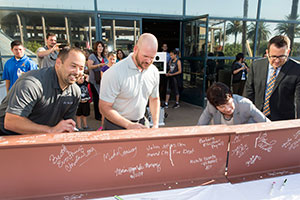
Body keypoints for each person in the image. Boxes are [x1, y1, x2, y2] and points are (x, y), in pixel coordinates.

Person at [0, 47, 86, 135]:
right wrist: (51, 130)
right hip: (8, 139)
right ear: (58, 63)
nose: (77, 72)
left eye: (81, 68)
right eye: (73, 66)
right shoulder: (32, 83)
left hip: (41, 139)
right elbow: (11, 122)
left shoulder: (75, 92)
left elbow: (66, 124)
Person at [99, 33, 160, 130]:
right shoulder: (114, 72)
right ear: (135, 49)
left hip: (141, 122)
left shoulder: (154, 71)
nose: (148, 61)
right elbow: (104, 107)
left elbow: (154, 99)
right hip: (115, 125)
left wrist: (156, 124)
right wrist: (128, 125)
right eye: (145, 56)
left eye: (152, 58)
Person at [244, 35, 300, 121]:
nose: (277, 60)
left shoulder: (297, 70)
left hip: (282, 122)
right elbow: (248, 94)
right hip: (256, 118)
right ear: (267, 53)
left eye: (281, 56)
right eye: (273, 56)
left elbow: (298, 101)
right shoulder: (256, 66)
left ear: (288, 52)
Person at [197, 82, 269, 125]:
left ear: (231, 96)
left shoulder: (245, 104)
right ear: (215, 106)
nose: (228, 109)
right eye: (222, 107)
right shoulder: (211, 106)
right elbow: (200, 126)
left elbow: (266, 122)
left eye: (228, 103)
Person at [87, 41, 107, 121]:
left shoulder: (104, 57)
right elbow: (89, 66)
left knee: (101, 98)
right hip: (94, 80)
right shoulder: (92, 56)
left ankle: (101, 113)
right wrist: (99, 65)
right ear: (96, 47)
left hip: (102, 80)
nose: (100, 48)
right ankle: (97, 115)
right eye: (99, 46)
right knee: (96, 98)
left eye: (102, 46)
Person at [98, 52, 117, 130]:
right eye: (111, 59)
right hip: (106, 91)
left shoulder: (117, 68)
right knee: (104, 110)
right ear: (107, 59)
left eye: (114, 59)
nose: (112, 61)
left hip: (115, 91)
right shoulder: (104, 68)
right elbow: (103, 80)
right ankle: (103, 126)